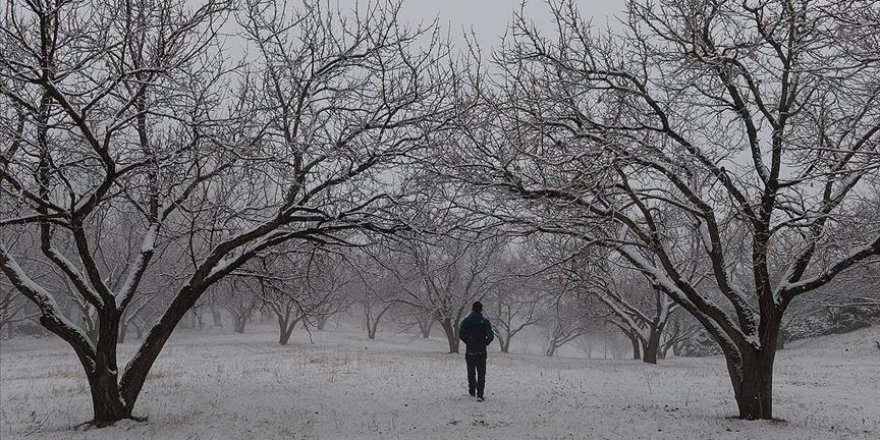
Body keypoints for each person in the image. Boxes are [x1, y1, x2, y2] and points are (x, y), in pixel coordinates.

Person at [458, 301, 494, 401]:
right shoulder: (485, 321)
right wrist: (485, 342)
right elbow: (490, 336)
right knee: (481, 372)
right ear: (481, 309)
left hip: (470, 351)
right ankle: (480, 394)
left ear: (472, 309)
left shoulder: (467, 321)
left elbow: (461, 334)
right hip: (481, 351)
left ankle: (472, 390)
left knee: (471, 371)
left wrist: (468, 341)